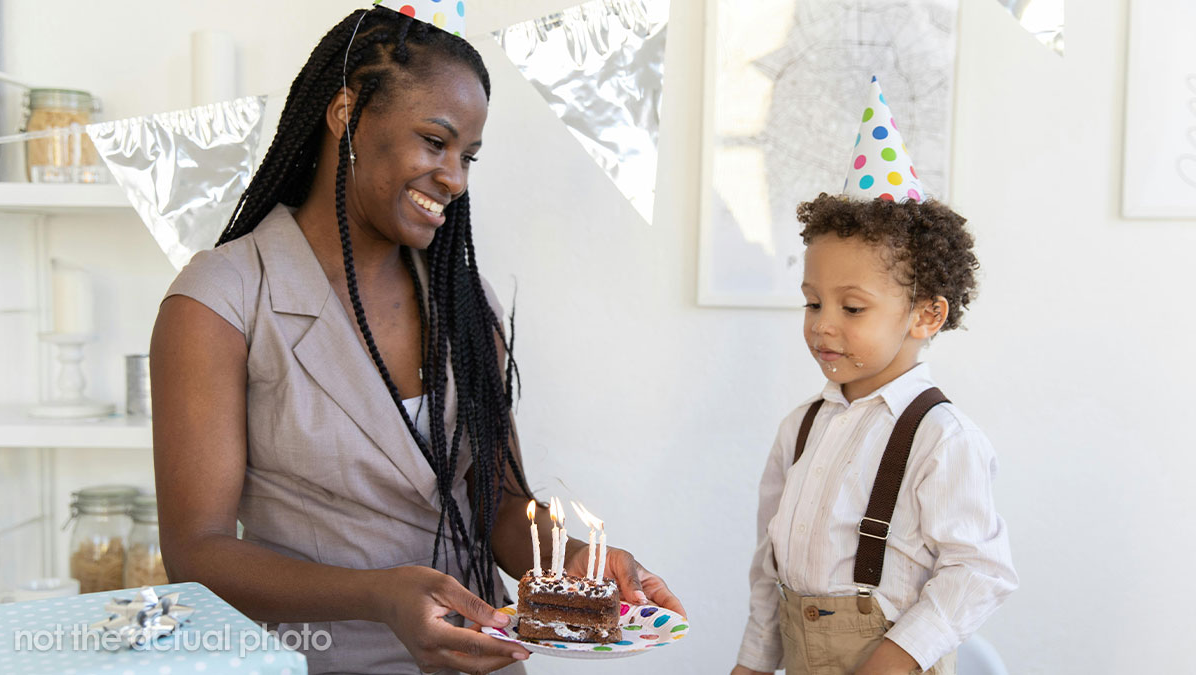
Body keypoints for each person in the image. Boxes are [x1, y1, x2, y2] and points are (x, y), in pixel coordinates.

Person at [149, 4, 683, 674]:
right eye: (435, 142)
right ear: (346, 112)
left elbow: (499, 502)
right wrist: (379, 596)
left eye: (468, 156)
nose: (456, 178)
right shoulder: (221, 300)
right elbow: (196, 551)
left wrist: (571, 560)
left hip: (482, 660)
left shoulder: (462, 302)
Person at [731, 79, 1017, 675]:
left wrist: (894, 656)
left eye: (851, 308)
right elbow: (770, 564)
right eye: (813, 303)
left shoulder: (943, 439)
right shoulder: (801, 428)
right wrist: (755, 662)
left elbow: (980, 569)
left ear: (925, 314)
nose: (823, 326)